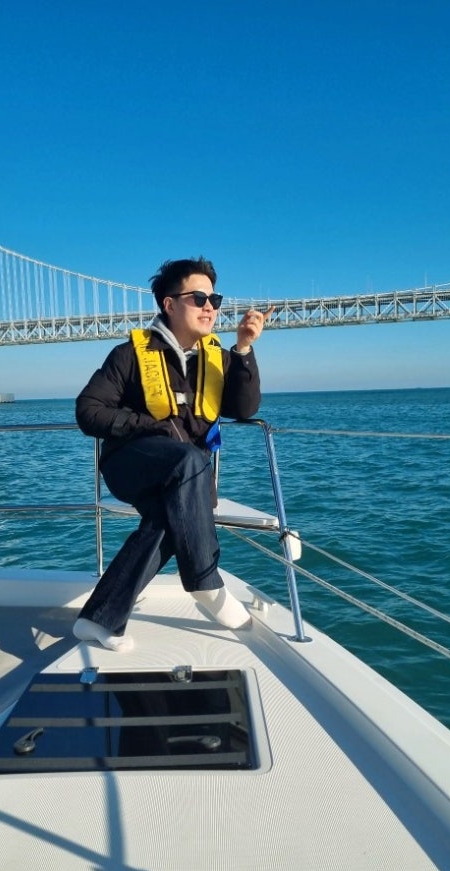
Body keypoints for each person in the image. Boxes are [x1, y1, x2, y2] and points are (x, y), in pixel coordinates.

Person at [73, 256, 272, 651]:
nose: (210, 307)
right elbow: (88, 411)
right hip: (130, 464)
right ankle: (205, 582)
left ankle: (98, 619)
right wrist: (150, 426)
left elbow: (244, 408)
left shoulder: (218, 357)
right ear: (169, 304)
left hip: (187, 476)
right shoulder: (130, 355)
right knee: (188, 464)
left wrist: (244, 348)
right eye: (199, 298)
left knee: (170, 518)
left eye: (214, 299)